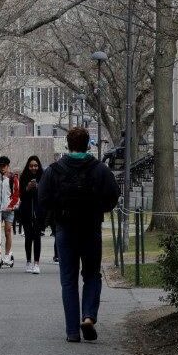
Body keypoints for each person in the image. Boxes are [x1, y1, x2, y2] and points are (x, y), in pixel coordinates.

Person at [39, 127, 119, 343]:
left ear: (67, 144)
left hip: (65, 228)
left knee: (68, 280)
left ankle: (72, 331)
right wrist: (97, 209)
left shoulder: (54, 170)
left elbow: (43, 198)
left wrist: (57, 211)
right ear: (88, 145)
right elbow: (113, 195)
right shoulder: (100, 169)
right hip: (91, 227)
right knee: (92, 275)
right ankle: (89, 316)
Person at [19, 156, 45, 274]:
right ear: (28, 166)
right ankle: (28, 261)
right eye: (31, 166)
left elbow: (46, 194)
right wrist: (27, 188)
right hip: (26, 212)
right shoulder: (23, 177)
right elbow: (21, 196)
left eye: (35, 165)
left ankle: (37, 263)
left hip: (38, 212)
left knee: (37, 237)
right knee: (28, 237)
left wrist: (38, 187)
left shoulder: (43, 177)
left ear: (38, 166)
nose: (33, 168)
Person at [0, 156, 20, 268]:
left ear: (8, 166)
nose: (2, 168)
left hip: (8, 209)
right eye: (0, 166)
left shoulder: (13, 179)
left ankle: (7, 255)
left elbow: (16, 194)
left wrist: (11, 206)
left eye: (4, 166)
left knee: (8, 232)